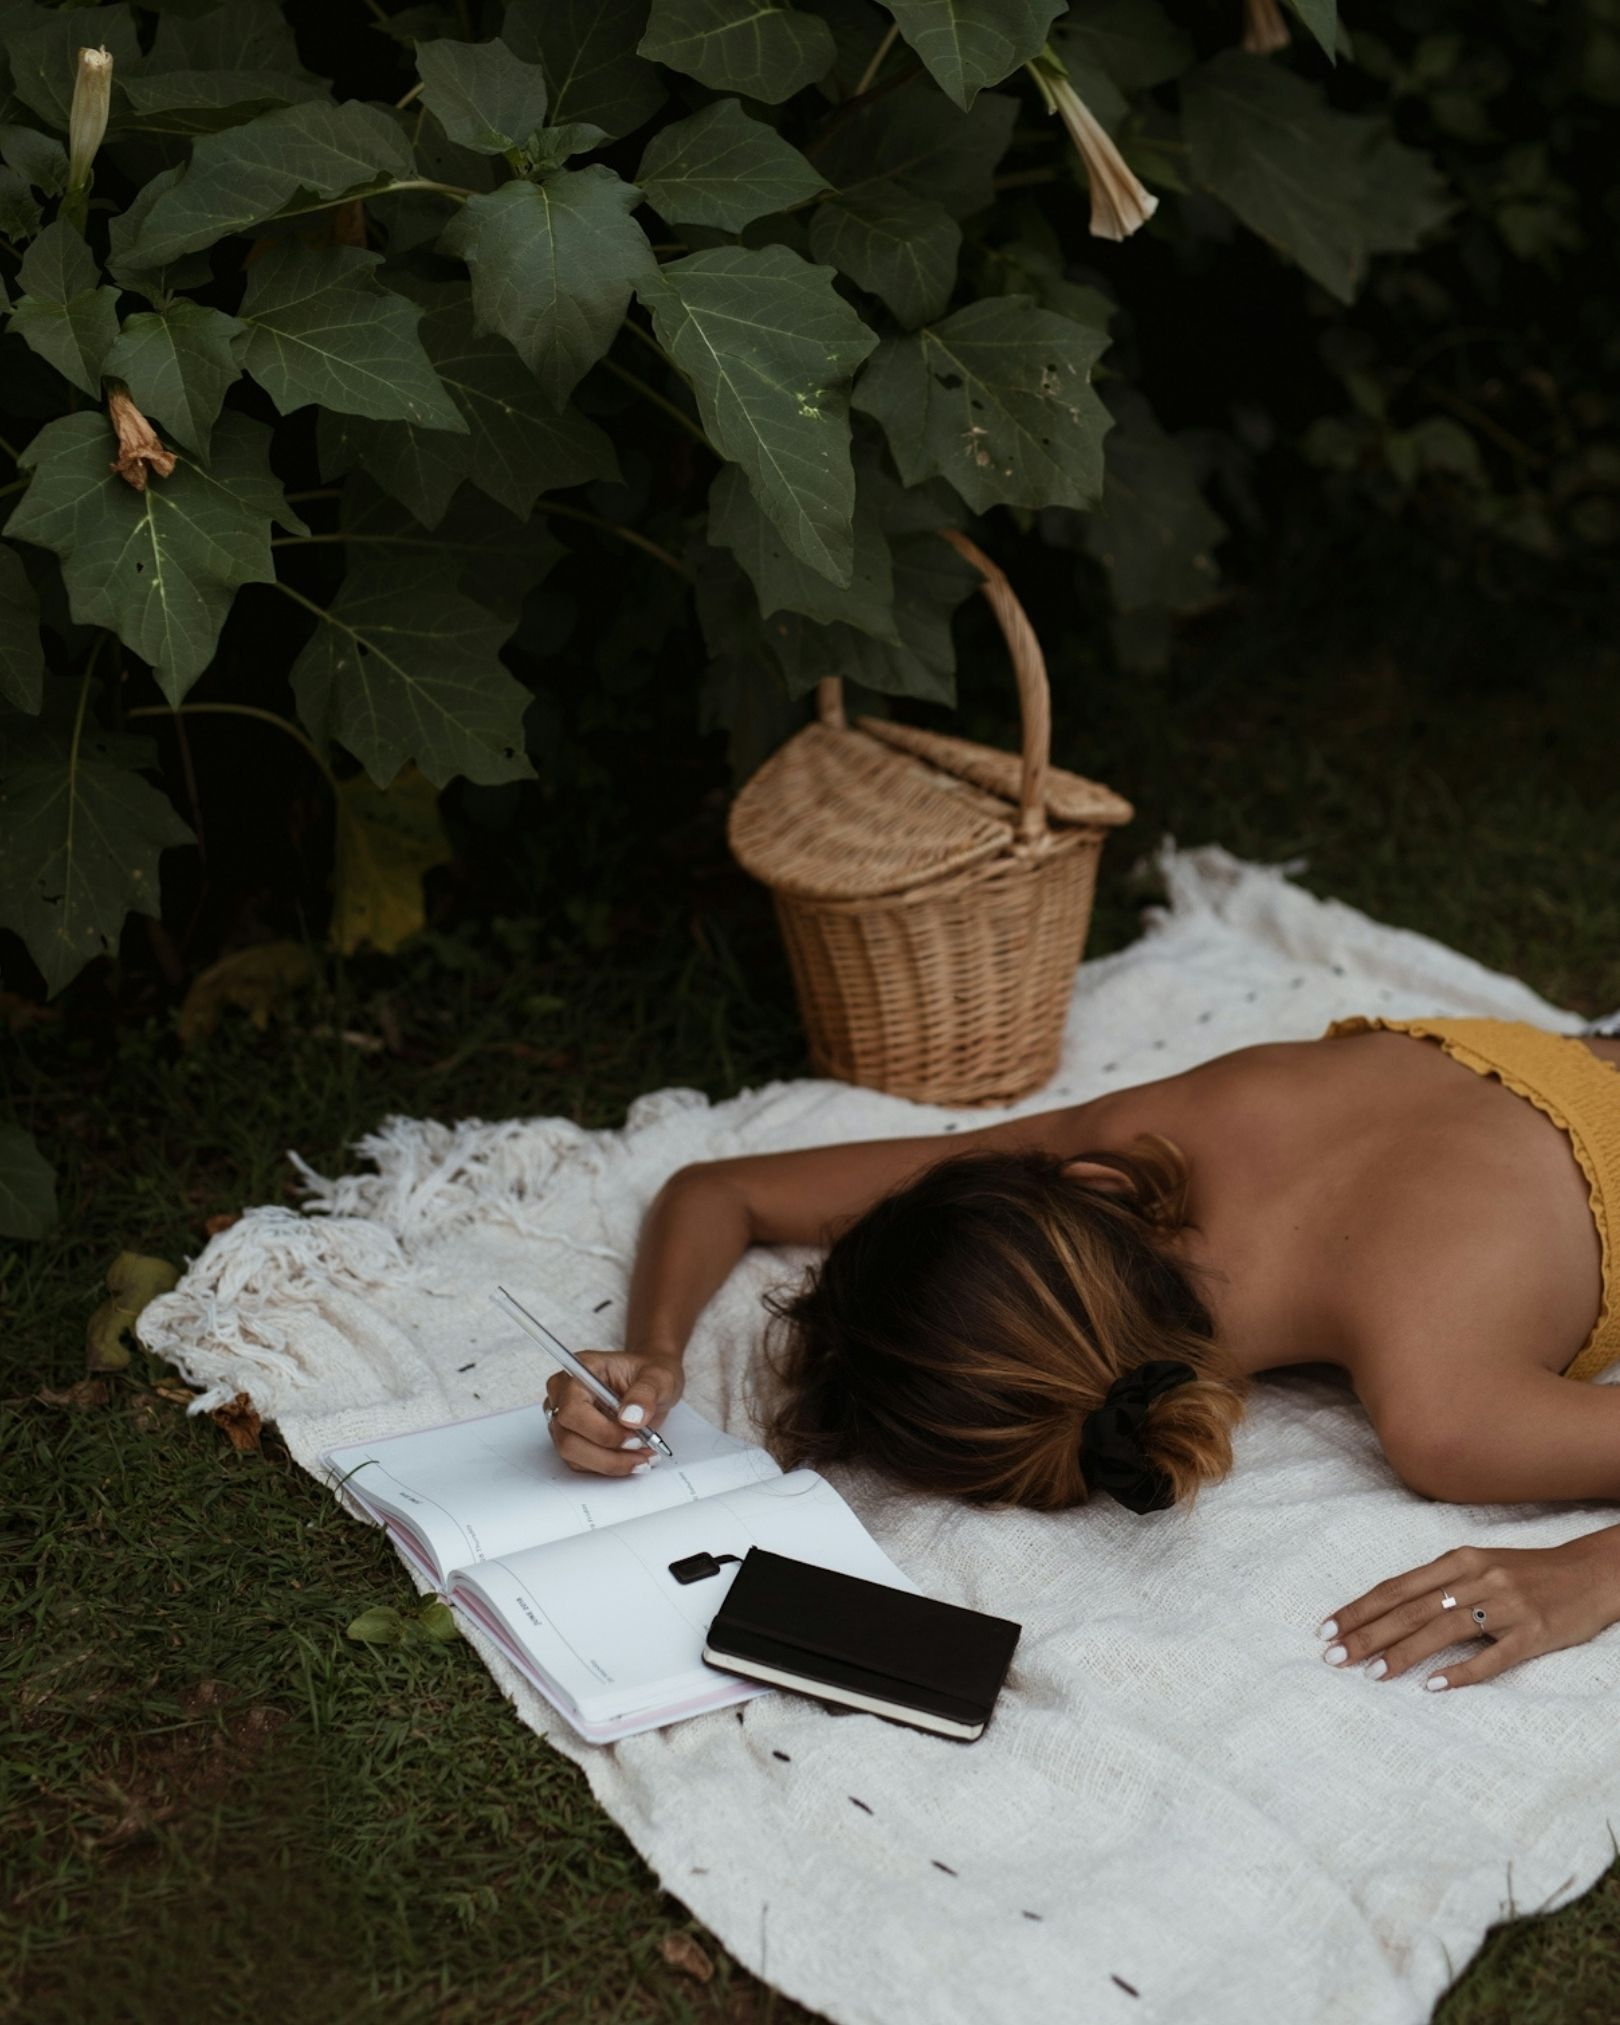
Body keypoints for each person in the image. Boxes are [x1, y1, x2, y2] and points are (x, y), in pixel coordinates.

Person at [541, 1016, 1620, 1692]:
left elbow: (717, 1188)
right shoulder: (1151, 1133)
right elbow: (719, 1191)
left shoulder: (1445, 1410)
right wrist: (655, 1351)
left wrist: (1589, 1573)